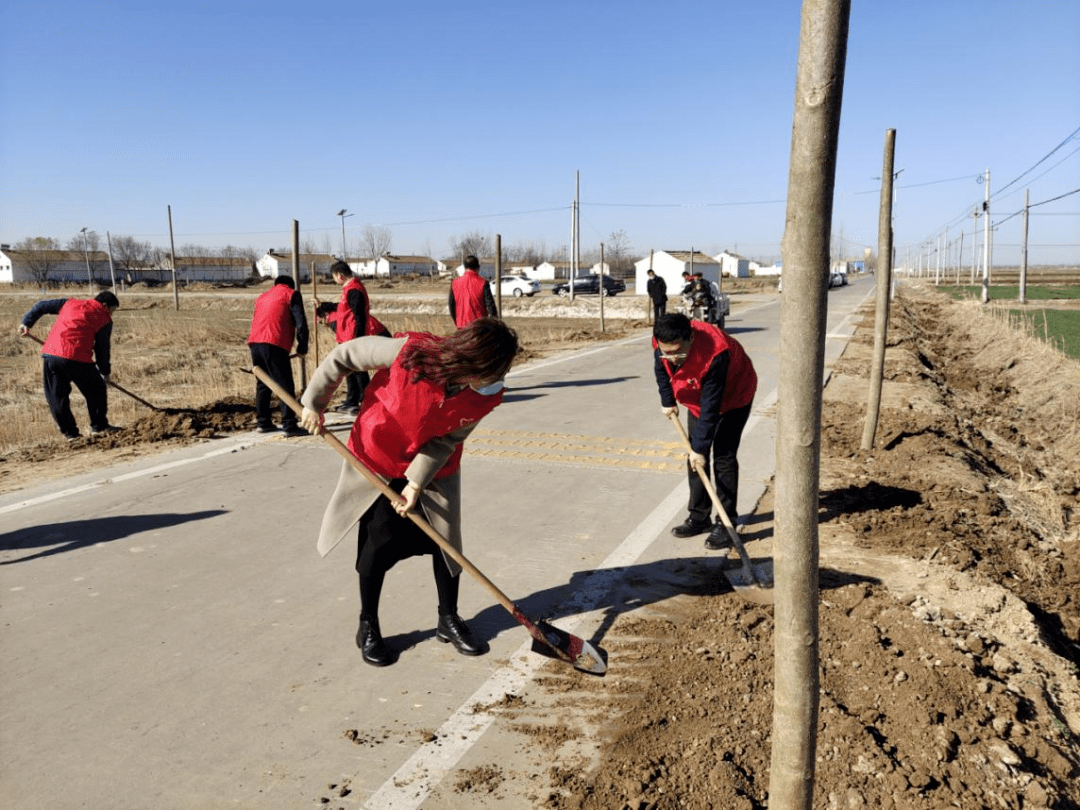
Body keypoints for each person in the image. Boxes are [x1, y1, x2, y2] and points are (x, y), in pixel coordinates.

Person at [299, 317, 519, 667]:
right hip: (379, 453)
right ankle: (367, 625)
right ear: (468, 360)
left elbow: (449, 438)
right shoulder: (411, 353)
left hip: (434, 466)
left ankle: (448, 619)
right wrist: (314, 402)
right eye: (487, 372)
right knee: (378, 541)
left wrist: (416, 482)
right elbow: (344, 355)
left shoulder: (488, 393)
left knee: (445, 542)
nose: (493, 380)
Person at [653, 312, 757, 550]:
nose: (671, 358)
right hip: (699, 398)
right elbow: (660, 369)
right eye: (665, 352)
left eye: (677, 353)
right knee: (694, 459)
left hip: (734, 395)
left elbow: (712, 407)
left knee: (723, 456)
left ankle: (726, 520)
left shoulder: (715, 354)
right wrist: (667, 400)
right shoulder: (664, 344)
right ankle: (699, 517)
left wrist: (700, 448)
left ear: (691, 338)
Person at [18, 291, 121, 441]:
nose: (112, 314)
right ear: (105, 306)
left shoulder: (70, 303)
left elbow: (41, 305)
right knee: (96, 390)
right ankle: (99, 427)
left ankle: (70, 434)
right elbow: (102, 349)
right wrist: (105, 372)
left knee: (56, 396)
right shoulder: (104, 319)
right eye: (113, 310)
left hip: (52, 355)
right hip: (77, 357)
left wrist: (26, 323)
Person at [247, 275, 309, 437]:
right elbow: (301, 322)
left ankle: (263, 422)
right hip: (274, 343)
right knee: (284, 384)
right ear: (290, 285)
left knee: (263, 383)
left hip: (255, 343)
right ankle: (289, 425)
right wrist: (302, 346)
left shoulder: (263, 296)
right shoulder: (291, 294)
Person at [316, 261, 372, 415]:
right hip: (346, 336)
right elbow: (343, 309)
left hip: (353, 336)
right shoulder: (348, 290)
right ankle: (352, 400)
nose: (334, 279)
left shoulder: (354, 290)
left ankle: (366, 402)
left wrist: (358, 337)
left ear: (339, 275)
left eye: (334, 276)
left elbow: (359, 316)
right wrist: (324, 306)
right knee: (349, 371)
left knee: (359, 371)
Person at [448, 254, 497, 328]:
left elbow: (451, 306)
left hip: (461, 327)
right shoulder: (483, 283)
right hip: (479, 327)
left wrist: (457, 321)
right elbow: (491, 306)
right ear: (478, 267)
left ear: (464, 267)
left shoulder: (454, 283)